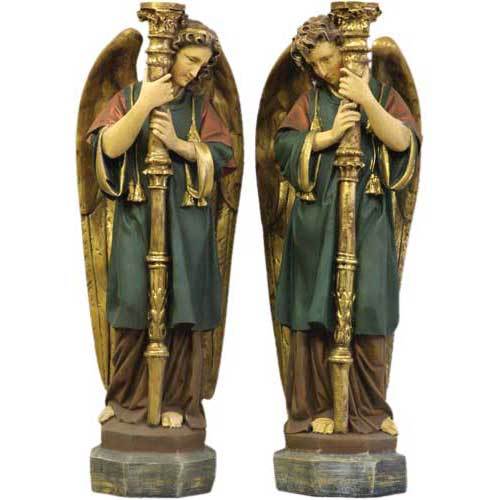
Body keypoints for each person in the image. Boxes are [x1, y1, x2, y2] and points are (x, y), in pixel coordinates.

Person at [274, 16, 420, 435]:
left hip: (369, 220)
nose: (324, 69)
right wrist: (327, 136)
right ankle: (321, 405)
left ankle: (370, 409)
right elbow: (282, 147)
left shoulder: (383, 95)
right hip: (316, 223)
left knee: (370, 309)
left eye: (329, 57)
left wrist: (366, 100)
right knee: (316, 312)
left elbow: (404, 142)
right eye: (316, 63)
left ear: (347, 50)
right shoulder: (311, 103)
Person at [87, 21, 235, 429]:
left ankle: (178, 400)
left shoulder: (199, 109)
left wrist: (177, 144)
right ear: (169, 53)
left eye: (202, 64)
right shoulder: (129, 97)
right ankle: (125, 399)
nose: (194, 70)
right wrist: (144, 104)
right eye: (190, 59)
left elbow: (223, 155)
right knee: (133, 304)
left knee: (182, 310)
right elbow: (106, 146)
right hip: (138, 221)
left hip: (187, 226)